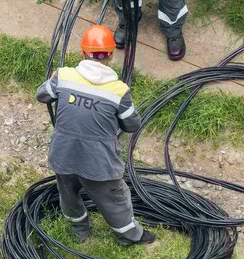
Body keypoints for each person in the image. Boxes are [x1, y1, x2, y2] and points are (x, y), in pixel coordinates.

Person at [34, 24, 155, 246]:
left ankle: (79, 230)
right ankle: (130, 236)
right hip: (100, 164)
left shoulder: (63, 76)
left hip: (63, 156)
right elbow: (132, 125)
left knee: (68, 195)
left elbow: (42, 95)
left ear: (83, 52)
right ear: (110, 55)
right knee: (114, 200)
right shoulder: (119, 90)